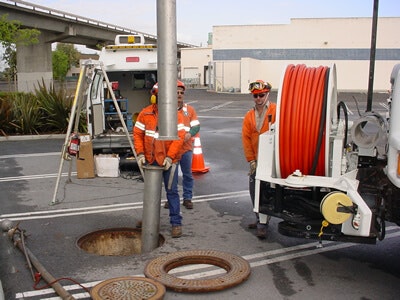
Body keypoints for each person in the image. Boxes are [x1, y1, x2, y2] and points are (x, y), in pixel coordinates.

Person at [133, 81, 186, 238]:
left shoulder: (176, 116)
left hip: (169, 161)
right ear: (155, 98)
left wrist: (170, 157)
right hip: (151, 160)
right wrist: (140, 154)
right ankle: (149, 220)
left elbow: (179, 138)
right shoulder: (145, 114)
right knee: (151, 193)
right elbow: (137, 134)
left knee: (172, 192)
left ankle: (176, 223)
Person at [241, 80, 276, 239]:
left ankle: (263, 223)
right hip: (256, 160)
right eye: (256, 96)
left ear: (267, 94)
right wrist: (251, 160)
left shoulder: (276, 111)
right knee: (254, 190)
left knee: (267, 192)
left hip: (272, 160)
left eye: (262, 95)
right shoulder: (249, 116)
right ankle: (259, 217)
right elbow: (246, 139)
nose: (259, 98)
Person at [164, 80, 200, 210]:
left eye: (181, 93)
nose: (179, 95)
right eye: (177, 92)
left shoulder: (189, 110)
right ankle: (171, 198)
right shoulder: (167, 110)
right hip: (172, 149)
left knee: (187, 174)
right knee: (171, 176)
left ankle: (187, 198)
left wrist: (189, 134)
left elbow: (196, 126)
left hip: (186, 148)